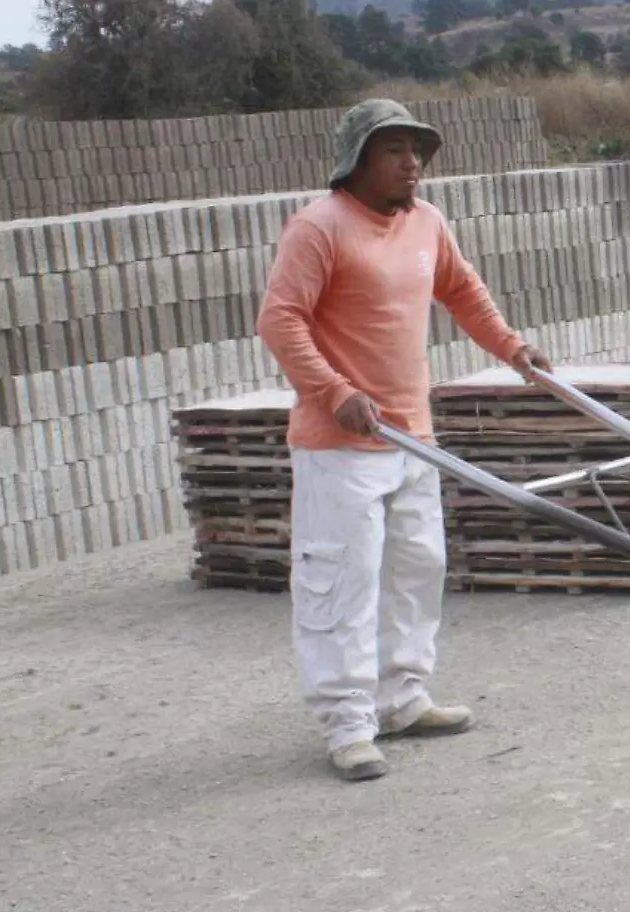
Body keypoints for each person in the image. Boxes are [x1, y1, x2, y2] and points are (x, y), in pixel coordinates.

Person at [257, 99, 551, 782]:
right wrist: (334, 392)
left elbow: (464, 292)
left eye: (417, 149)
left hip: (412, 437)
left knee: (418, 572)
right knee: (342, 585)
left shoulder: (427, 223)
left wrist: (513, 349)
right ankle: (349, 723)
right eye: (394, 149)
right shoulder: (319, 228)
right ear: (357, 159)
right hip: (341, 444)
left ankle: (403, 698)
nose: (412, 163)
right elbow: (281, 321)